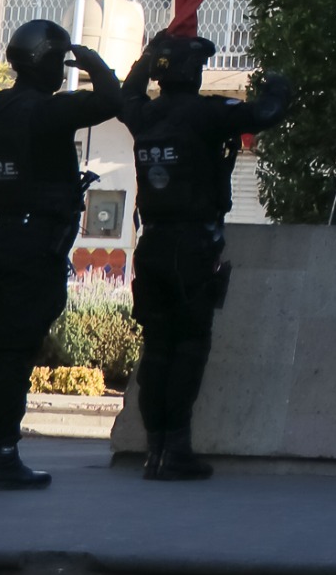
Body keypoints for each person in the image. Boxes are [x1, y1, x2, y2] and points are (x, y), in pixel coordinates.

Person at [119, 27, 290, 481]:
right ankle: (175, 449)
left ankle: (156, 449)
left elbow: (127, 93)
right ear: (192, 73)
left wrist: (147, 57)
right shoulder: (205, 114)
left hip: (152, 245)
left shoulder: (144, 114)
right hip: (193, 245)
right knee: (189, 346)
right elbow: (266, 112)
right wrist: (278, 83)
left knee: (157, 348)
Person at [0, 19, 122, 491]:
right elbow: (112, 102)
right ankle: (2, 456)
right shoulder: (47, 111)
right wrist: (93, 64)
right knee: (13, 352)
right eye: (59, 60)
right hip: (33, 246)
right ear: (47, 61)